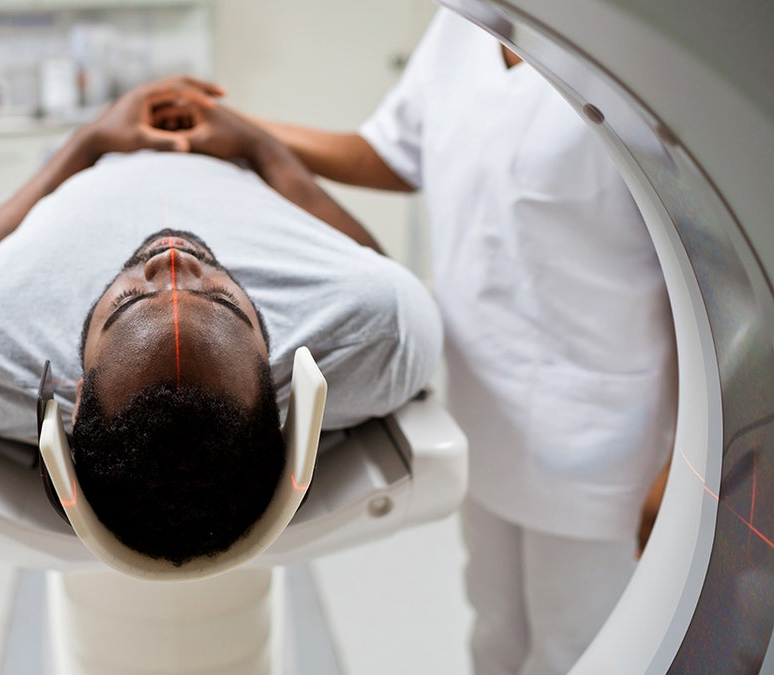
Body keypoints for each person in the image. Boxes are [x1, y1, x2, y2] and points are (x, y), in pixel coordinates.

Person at [236, 9, 677, 675]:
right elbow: (389, 151)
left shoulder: (642, 57)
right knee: (495, 631)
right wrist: (241, 134)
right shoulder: (464, 27)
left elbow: (714, 278)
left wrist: (688, 463)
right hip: (484, 415)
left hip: (607, 441)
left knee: (577, 647)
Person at [0, 77, 442, 566]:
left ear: (78, 396)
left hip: (107, 157)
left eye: (128, 303)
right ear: (273, 385)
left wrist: (86, 144)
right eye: (228, 304)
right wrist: (258, 147)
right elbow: (384, 275)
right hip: (227, 158)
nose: (174, 261)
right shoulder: (376, 333)